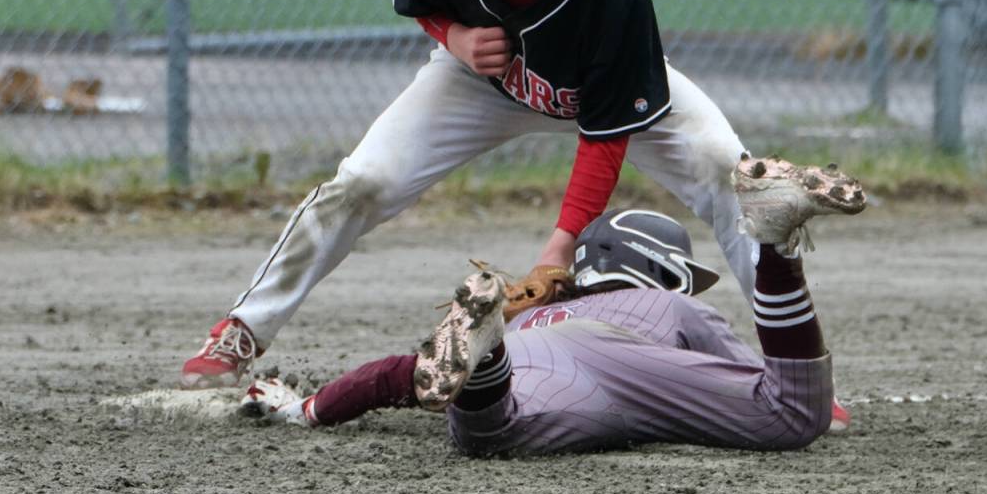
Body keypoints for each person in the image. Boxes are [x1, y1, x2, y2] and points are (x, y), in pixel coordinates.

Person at [180, 0, 760, 398]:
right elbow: (423, 3)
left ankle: (791, 363)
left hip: (595, 91)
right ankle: (243, 329)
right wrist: (453, 36)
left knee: (727, 169)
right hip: (478, 83)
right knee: (364, 181)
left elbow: (603, 136)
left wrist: (561, 246)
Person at [241, 156, 866, 453]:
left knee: (490, 428)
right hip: (627, 364)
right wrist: (819, 401)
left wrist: (305, 408)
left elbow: (396, 376)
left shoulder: (532, 314)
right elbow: (764, 385)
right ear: (657, 272)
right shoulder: (671, 309)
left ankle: (484, 366)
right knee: (789, 417)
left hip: (527, 353)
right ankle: (777, 243)